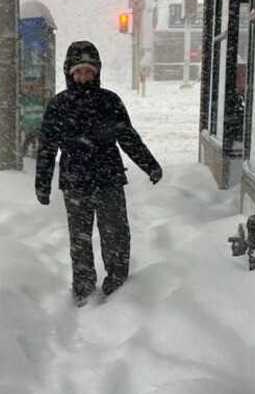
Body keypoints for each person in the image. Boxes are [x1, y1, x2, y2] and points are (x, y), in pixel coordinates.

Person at [35, 40, 162, 306]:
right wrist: (42, 183)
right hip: (75, 182)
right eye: (78, 71)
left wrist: (149, 165)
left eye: (89, 71)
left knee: (115, 233)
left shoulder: (109, 101)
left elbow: (129, 138)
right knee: (80, 238)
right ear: (70, 73)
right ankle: (83, 286)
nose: (84, 76)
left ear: (97, 73)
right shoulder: (59, 105)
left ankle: (117, 281)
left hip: (108, 179)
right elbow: (47, 148)